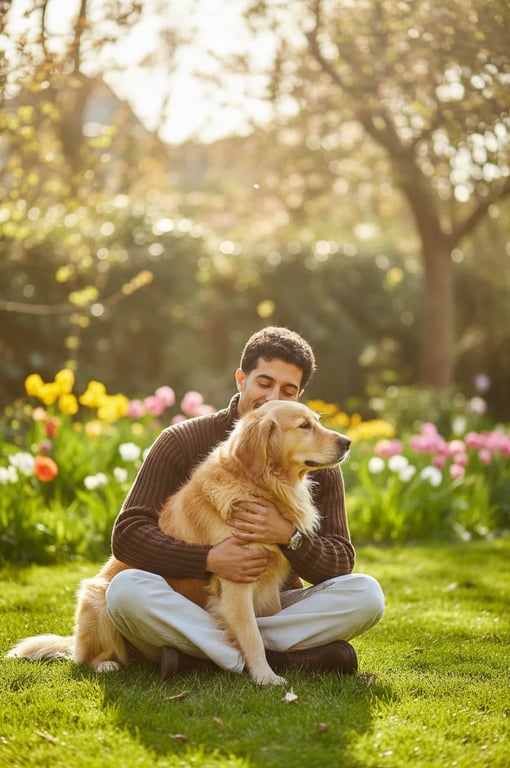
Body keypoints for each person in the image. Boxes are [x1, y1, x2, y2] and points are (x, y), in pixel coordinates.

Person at [106, 326, 384, 679]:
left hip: (272, 607)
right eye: (264, 383)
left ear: (298, 395)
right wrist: (207, 559)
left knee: (366, 595)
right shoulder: (180, 440)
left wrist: (289, 535)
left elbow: (340, 561)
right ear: (242, 379)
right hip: (186, 604)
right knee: (125, 592)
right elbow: (128, 535)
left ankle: (204, 656)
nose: (272, 397)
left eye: (287, 390)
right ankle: (276, 658)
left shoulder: (314, 458)